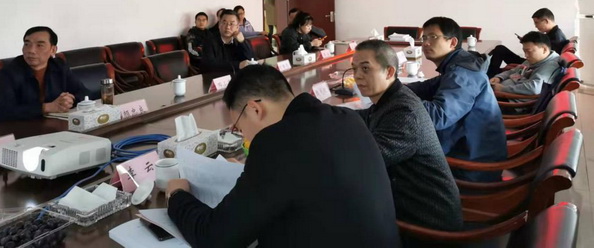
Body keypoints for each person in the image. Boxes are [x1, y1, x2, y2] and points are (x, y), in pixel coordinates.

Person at [166, 65, 401, 247]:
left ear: (255, 109)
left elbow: (214, 238)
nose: (241, 135)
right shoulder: (346, 118)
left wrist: (177, 195)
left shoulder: (275, 144)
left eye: (237, 126)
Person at [352, 40, 462, 236]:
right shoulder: (391, 99)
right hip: (410, 206)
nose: (357, 76)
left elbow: (367, 160)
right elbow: (366, 116)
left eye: (365, 68)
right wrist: (327, 115)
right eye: (354, 69)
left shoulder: (404, 111)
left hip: (429, 224)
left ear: (389, 72)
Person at [407, 17, 507, 182]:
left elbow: (438, 117)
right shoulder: (458, 64)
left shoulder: (462, 73)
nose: (425, 43)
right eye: (424, 38)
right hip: (469, 152)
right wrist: (392, 88)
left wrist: (400, 98)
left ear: (452, 42)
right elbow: (427, 87)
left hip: (472, 168)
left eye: (433, 37)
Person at [0, 26, 89, 122]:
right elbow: (4, 112)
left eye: (39, 45)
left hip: (54, 124)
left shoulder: (59, 66)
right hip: (22, 127)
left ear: (53, 50)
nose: (31, 50)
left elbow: (84, 92)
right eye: (27, 44)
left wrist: (69, 101)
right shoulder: (9, 72)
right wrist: (46, 107)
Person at [487, 8, 569, 77]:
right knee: (500, 50)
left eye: (537, 22)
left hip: (534, 63)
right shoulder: (555, 34)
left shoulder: (556, 37)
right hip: (532, 61)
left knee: (500, 50)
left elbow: (544, 57)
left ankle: (490, 76)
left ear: (545, 21)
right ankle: (492, 74)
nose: (535, 26)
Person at [490, 31, 562, 96]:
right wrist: (499, 77)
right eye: (524, 51)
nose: (526, 55)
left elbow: (534, 88)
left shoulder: (550, 66)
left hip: (509, 98)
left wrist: (502, 89)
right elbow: (515, 70)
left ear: (544, 49)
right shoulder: (536, 59)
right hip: (503, 88)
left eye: (529, 51)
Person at [201, 9, 254, 74]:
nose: (228, 27)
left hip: (238, 77)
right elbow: (209, 66)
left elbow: (251, 59)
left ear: (237, 27)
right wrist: (238, 65)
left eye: (232, 24)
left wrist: (242, 42)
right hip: (217, 78)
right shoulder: (209, 42)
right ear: (219, 25)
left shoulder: (240, 41)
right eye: (224, 23)